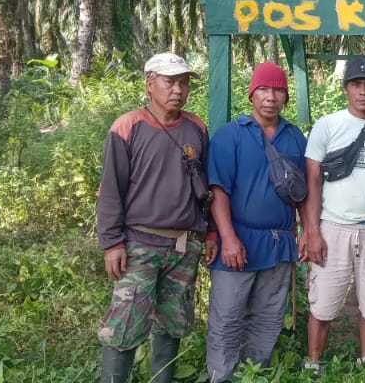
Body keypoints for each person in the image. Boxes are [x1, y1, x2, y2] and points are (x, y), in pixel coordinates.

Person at [95, 53, 212, 383]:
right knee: (125, 323)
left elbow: (206, 186)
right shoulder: (128, 127)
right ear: (150, 84)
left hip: (183, 247)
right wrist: (112, 243)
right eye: (170, 81)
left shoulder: (196, 127)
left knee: (173, 322)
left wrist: (210, 234)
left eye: (184, 83)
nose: (178, 89)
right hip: (140, 244)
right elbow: (110, 191)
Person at [299, 57, 365, 375]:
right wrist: (313, 231)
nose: (363, 91)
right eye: (357, 84)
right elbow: (312, 181)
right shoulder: (327, 126)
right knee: (323, 302)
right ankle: (314, 363)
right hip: (333, 228)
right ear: (346, 88)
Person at [203, 62, 307, 382]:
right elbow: (218, 191)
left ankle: (253, 374)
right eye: (263, 89)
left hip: (279, 242)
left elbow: (304, 191)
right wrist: (228, 238)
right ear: (251, 94)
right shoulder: (230, 135)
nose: (270, 97)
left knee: (268, 317)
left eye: (278, 90)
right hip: (239, 241)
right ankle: (221, 376)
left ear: (286, 97)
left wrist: (305, 231)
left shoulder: (295, 137)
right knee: (228, 318)